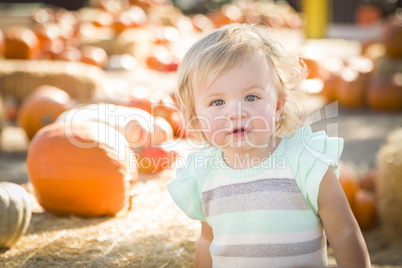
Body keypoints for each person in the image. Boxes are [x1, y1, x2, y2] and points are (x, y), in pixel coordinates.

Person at [167, 23, 370, 268]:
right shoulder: (203, 173)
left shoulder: (304, 161)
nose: (236, 112)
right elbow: (207, 240)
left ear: (277, 105)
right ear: (195, 115)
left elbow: (344, 232)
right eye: (217, 102)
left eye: (251, 97)